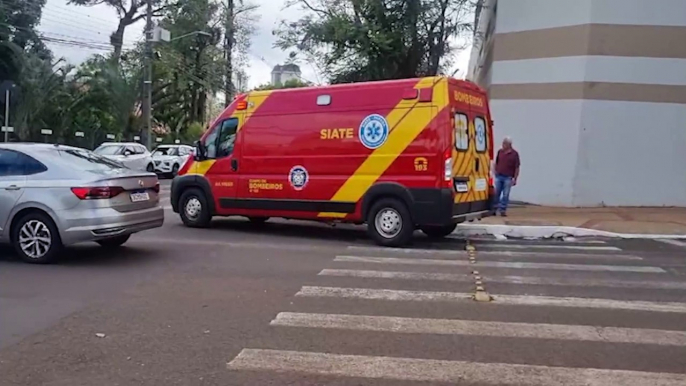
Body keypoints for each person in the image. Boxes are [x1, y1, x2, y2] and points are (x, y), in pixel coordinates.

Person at [493, 136, 520, 216]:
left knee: (505, 194)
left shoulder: (514, 154)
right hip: (499, 175)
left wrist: (515, 179)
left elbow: (517, 167)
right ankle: (494, 209)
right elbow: (496, 162)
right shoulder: (500, 152)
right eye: (503, 143)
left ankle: (502, 210)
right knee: (496, 193)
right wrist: (495, 171)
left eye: (505, 143)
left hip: (508, 177)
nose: (503, 145)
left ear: (509, 144)